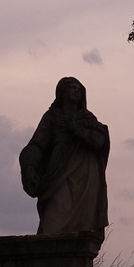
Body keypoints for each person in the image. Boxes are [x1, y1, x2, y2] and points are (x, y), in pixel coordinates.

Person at [19, 78, 110, 240]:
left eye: (78, 89)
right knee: (52, 224)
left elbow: (100, 141)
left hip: (86, 176)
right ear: (62, 93)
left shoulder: (88, 119)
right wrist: (29, 165)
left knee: (83, 229)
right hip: (59, 174)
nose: (75, 91)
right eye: (71, 88)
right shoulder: (52, 117)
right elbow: (37, 145)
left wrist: (77, 129)